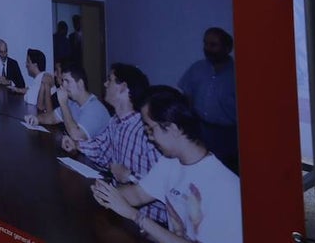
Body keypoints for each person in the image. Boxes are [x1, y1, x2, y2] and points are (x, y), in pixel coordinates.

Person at [92, 86, 242, 243]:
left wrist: (134, 215)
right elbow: (138, 194)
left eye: (150, 129)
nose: (149, 137)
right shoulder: (170, 162)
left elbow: (134, 210)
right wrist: (106, 193)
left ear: (173, 129)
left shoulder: (225, 186)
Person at [60, 63, 165, 224]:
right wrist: (77, 145)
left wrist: (130, 177)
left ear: (123, 87)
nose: (105, 84)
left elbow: (164, 184)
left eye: (109, 80)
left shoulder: (147, 131)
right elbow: (100, 148)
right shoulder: (115, 121)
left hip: (147, 219)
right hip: (119, 204)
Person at [178, 27, 238, 171]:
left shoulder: (237, 73)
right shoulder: (197, 68)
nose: (207, 48)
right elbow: (186, 96)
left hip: (228, 136)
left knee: (224, 172)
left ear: (227, 48)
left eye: (213, 45)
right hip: (200, 129)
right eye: (205, 44)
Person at [26, 62, 111, 141]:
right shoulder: (73, 103)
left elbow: (76, 136)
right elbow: (51, 118)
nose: (63, 85)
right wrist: (36, 119)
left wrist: (63, 104)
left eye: (67, 81)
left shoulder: (95, 108)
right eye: (63, 81)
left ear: (80, 83)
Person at [15, 48, 54, 112]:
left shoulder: (44, 79)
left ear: (35, 65)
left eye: (28, 62)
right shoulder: (40, 77)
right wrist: (17, 90)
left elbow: (30, 100)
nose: (26, 65)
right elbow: (30, 89)